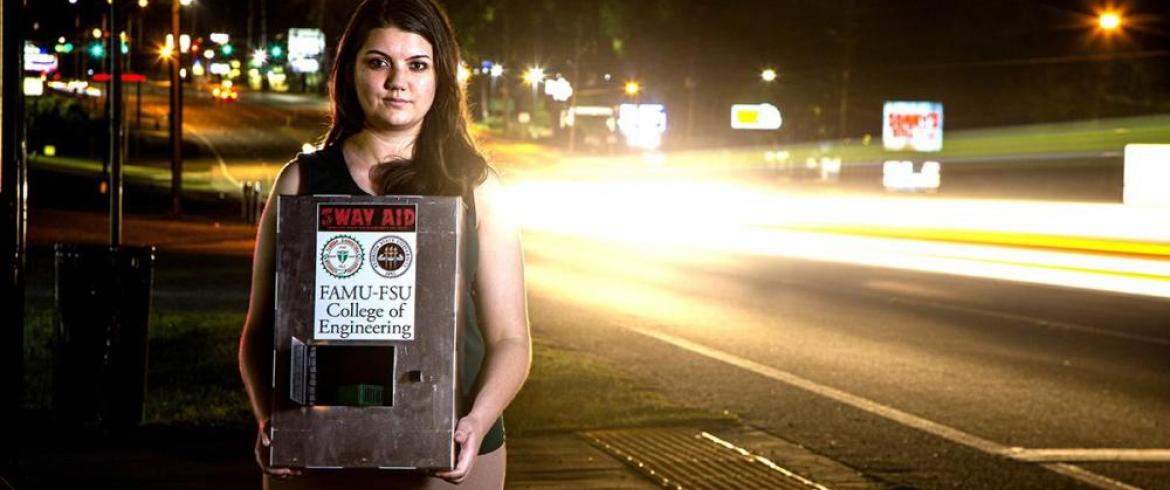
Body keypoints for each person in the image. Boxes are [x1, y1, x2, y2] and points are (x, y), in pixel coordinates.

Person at [238, 0, 531, 487]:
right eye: (379, 62)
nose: (398, 81)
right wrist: (269, 418)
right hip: (320, 448)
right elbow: (259, 333)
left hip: (451, 449)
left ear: (441, 77)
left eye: (417, 65)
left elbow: (512, 341)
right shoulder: (300, 182)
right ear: (349, 70)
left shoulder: (478, 188)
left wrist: (475, 423)